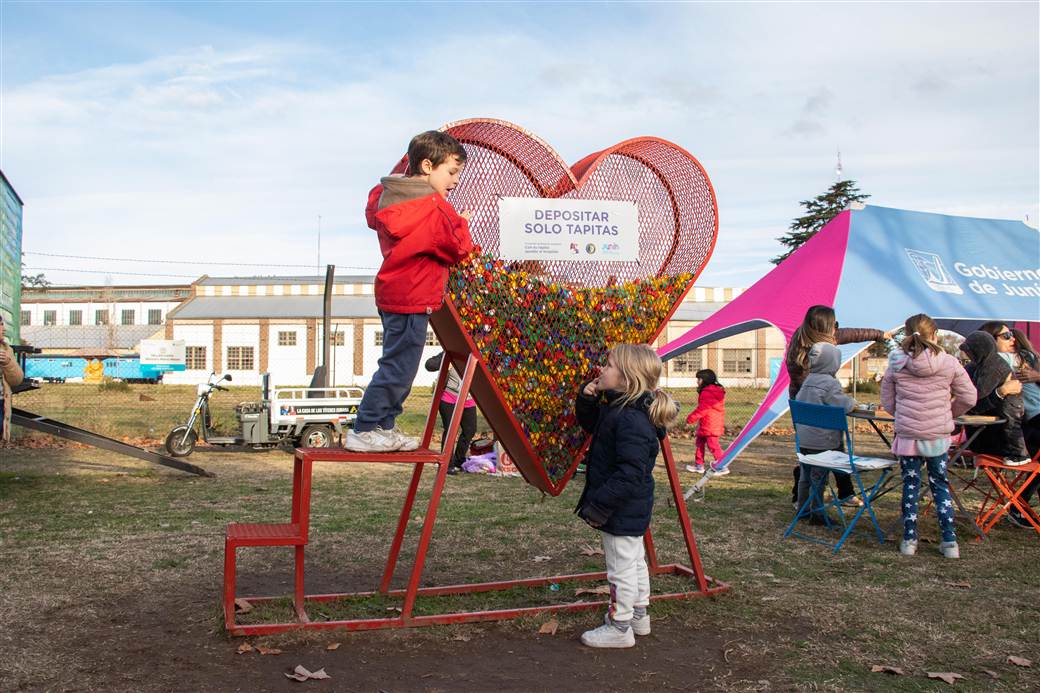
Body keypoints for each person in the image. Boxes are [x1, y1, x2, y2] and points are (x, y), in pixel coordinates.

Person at [345, 130, 474, 453]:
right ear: (428, 166)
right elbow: (459, 249)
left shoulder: (390, 197)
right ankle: (364, 427)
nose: (455, 181)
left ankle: (384, 427)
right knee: (398, 368)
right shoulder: (434, 209)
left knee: (398, 364)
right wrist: (462, 221)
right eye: (452, 172)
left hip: (394, 292)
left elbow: (377, 200)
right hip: (413, 295)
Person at [573, 344, 678, 648]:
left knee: (620, 566)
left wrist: (600, 505)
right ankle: (639, 616)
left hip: (618, 506)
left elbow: (630, 473)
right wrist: (587, 398)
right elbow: (594, 425)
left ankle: (620, 628)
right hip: (628, 505)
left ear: (627, 377)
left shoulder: (631, 420)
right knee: (634, 561)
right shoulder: (622, 409)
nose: (601, 370)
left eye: (608, 366)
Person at [881, 314, 977, 558]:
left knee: (910, 486)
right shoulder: (949, 362)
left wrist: (904, 414)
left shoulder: (896, 363)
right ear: (934, 335)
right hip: (937, 434)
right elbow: (969, 397)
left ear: (907, 335)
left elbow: (887, 402)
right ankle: (949, 543)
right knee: (940, 485)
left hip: (908, 435)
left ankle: (909, 540)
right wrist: (948, 414)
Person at [785, 306, 890, 510]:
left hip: (805, 407)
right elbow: (825, 394)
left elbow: (851, 333)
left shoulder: (817, 341)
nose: (836, 329)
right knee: (826, 451)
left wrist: (878, 335)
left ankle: (833, 494)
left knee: (818, 452)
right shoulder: (806, 356)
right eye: (834, 325)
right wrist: (843, 400)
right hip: (811, 406)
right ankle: (809, 497)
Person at [978, 325, 1040, 526]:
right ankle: (1019, 507)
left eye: (1012, 335)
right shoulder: (996, 362)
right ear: (990, 340)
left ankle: (1019, 507)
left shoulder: (1025, 357)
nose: (1012, 339)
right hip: (1025, 424)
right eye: (1006, 336)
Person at [793, 342, 859, 524]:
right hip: (825, 442)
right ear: (832, 362)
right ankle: (818, 513)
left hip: (805, 440)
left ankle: (802, 509)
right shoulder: (830, 384)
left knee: (805, 478)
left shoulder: (808, 381)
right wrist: (852, 402)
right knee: (818, 479)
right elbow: (843, 405)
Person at [959, 331, 1030, 465]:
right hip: (1000, 404)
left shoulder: (992, 365)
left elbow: (980, 392)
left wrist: (967, 398)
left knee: (1012, 425)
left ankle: (1020, 454)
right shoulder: (980, 365)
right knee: (1010, 425)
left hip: (1010, 403)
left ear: (979, 351)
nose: (968, 355)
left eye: (970, 352)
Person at [424, 352, 477, 475]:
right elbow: (429, 365)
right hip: (449, 396)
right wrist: (444, 363)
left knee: (470, 430)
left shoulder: (477, 354)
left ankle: (459, 460)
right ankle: (447, 464)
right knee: (450, 430)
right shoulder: (450, 352)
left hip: (468, 398)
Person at [684, 369, 726, 475]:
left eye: (699, 379)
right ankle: (699, 465)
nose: (697, 381)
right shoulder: (710, 391)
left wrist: (690, 418)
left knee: (713, 445)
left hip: (711, 424)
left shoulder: (708, 392)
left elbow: (703, 409)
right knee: (699, 443)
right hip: (706, 423)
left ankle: (722, 466)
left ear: (705, 380)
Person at [0, 314, 25, 442]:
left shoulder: (6, 349)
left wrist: (7, 363)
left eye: (2, 324)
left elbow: (17, 380)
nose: (3, 329)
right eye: (0, 325)